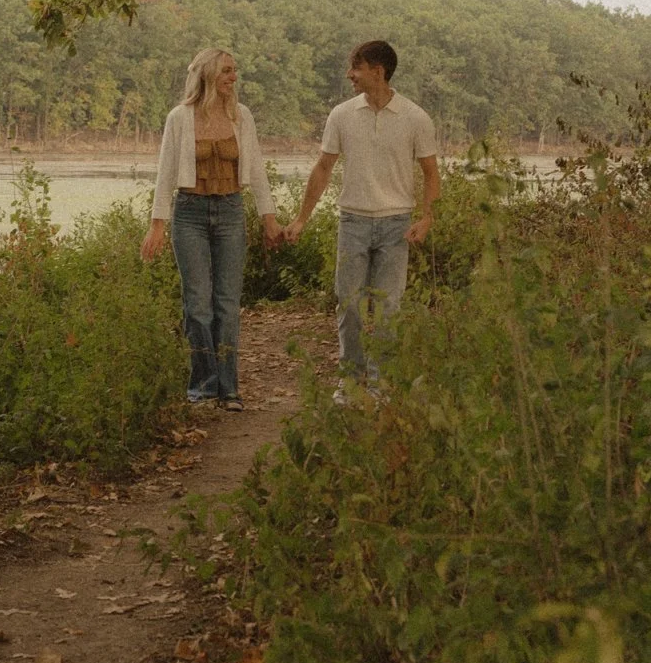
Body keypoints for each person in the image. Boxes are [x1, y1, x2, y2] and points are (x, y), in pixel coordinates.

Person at [285, 40, 439, 389]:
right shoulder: (341, 115)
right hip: (352, 220)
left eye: (356, 67)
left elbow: (431, 173)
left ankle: (380, 383)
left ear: (378, 71)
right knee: (348, 304)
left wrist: (426, 218)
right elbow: (323, 168)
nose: (349, 74)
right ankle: (350, 382)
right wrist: (301, 219)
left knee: (388, 310)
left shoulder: (415, 118)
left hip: (396, 224)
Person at [141, 48, 281, 411]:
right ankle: (203, 388)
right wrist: (157, 225)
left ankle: (229, 388)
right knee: (198, 303)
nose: (234, 77)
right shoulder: (180, 117)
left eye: (235, 71)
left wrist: (269, 218)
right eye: (227, 71)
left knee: (228, 303)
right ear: (207, 74)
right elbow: (165, 173)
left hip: (231, 211)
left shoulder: (241, 116)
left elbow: (259, 172)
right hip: (189, 214)